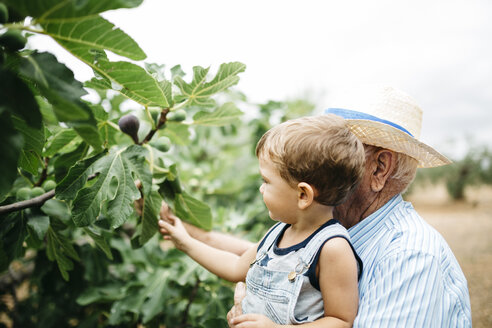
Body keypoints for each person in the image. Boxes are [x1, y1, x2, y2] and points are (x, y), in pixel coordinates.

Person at [159, 86, 472, 327]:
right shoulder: (327, 228)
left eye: (339, 154)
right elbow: (263, 259)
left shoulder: (408, 257)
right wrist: (183, 233)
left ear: (379, 168)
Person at [158, 114, 366, 326]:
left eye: (266, 181)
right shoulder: (278, 234)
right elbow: (235, 266)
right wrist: (185, 242)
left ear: (303, 195)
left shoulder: (332, 248)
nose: (261, 188)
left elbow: (340, 320)